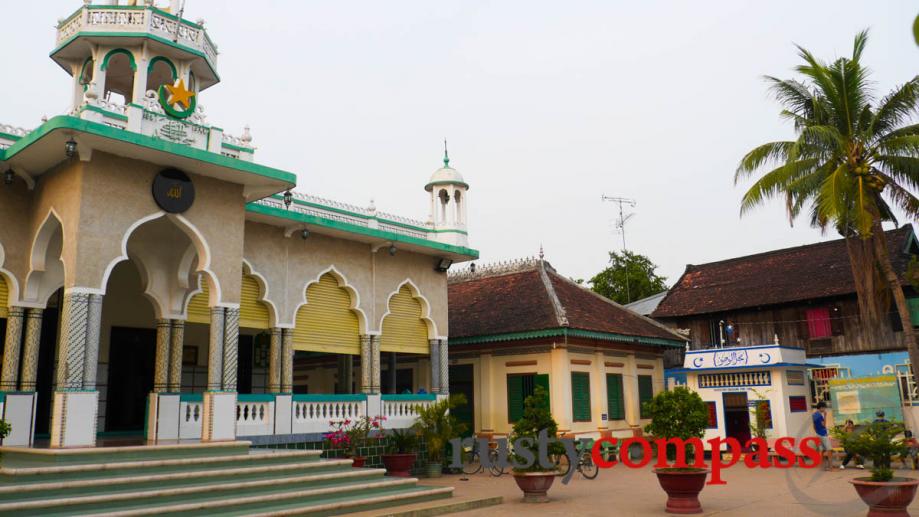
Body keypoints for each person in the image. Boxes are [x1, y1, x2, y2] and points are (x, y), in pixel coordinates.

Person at [813, 401, 832, 470]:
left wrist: (817, 432)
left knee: (822, 451)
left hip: (818, 434)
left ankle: (822, 467)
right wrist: (825, 416)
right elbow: (824, 425)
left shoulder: (814, 415)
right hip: (823, 434)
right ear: (821, 407)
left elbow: (814, 426)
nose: (824, 410)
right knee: (829, 450)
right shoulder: (820, 415)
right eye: (824, 408)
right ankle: (831, 467)